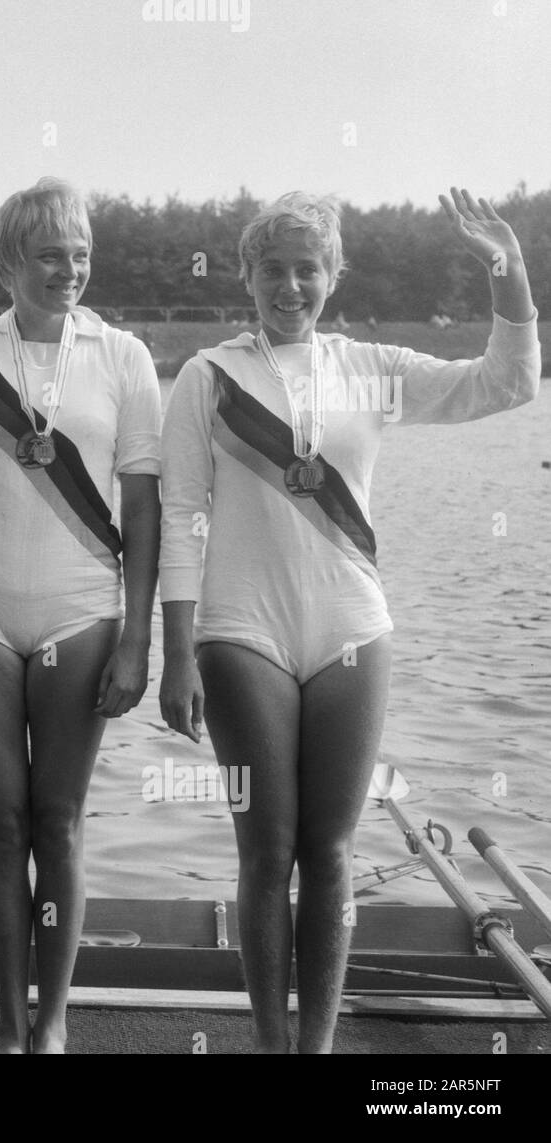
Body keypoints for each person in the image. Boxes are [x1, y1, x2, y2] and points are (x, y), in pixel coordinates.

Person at [158, 189, 540, 1053]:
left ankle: (318, 1046)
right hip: (238, 632)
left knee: (329, 853)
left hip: (352, 631)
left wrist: (506, 270)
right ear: (248, 274)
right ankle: (269, 1042)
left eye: (308, 269)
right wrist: (174, 652)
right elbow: (181, 516)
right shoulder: (207, 376)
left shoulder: (371, 368)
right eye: (274, 269)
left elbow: (508, 382)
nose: (290, 285)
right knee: (267, 850)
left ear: (334, 276)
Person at [0, 178, 162, 1052]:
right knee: (3, 823)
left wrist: (138, 637)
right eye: (50, 254)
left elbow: (143, 509)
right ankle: (8, 1028)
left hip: (82, 612)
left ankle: (51, 1027)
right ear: (8, 262)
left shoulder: (122, 357)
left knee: (60, 822)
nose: (69, 269)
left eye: (81, 252)